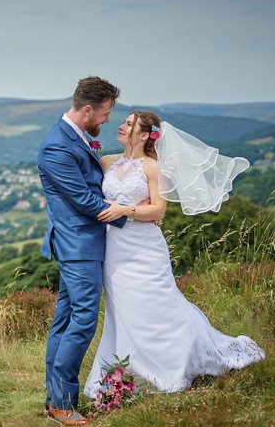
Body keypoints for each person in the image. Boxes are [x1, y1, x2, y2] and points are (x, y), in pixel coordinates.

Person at [85, 110, 265, 398]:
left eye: (129, 124)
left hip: (144, 248)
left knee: (159, 304)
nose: (121, 125)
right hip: (114, 249)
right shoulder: (107, 162)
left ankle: (175, 362)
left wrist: (126, 210)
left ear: (144, 135)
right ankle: (130, 371)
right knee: (125, 309)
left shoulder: (153, 167)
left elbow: (158, 210)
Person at [37, 76, 125, 427]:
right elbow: (84, 200)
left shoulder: (74, 138)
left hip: (81, 242)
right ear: (87, 109)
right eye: (104, 114)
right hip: (78, 244)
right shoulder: (56, 147)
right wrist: (129, 215)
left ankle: (55, 399)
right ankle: (61, 404)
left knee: (66, 319)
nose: (106, 121)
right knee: (84, 319)